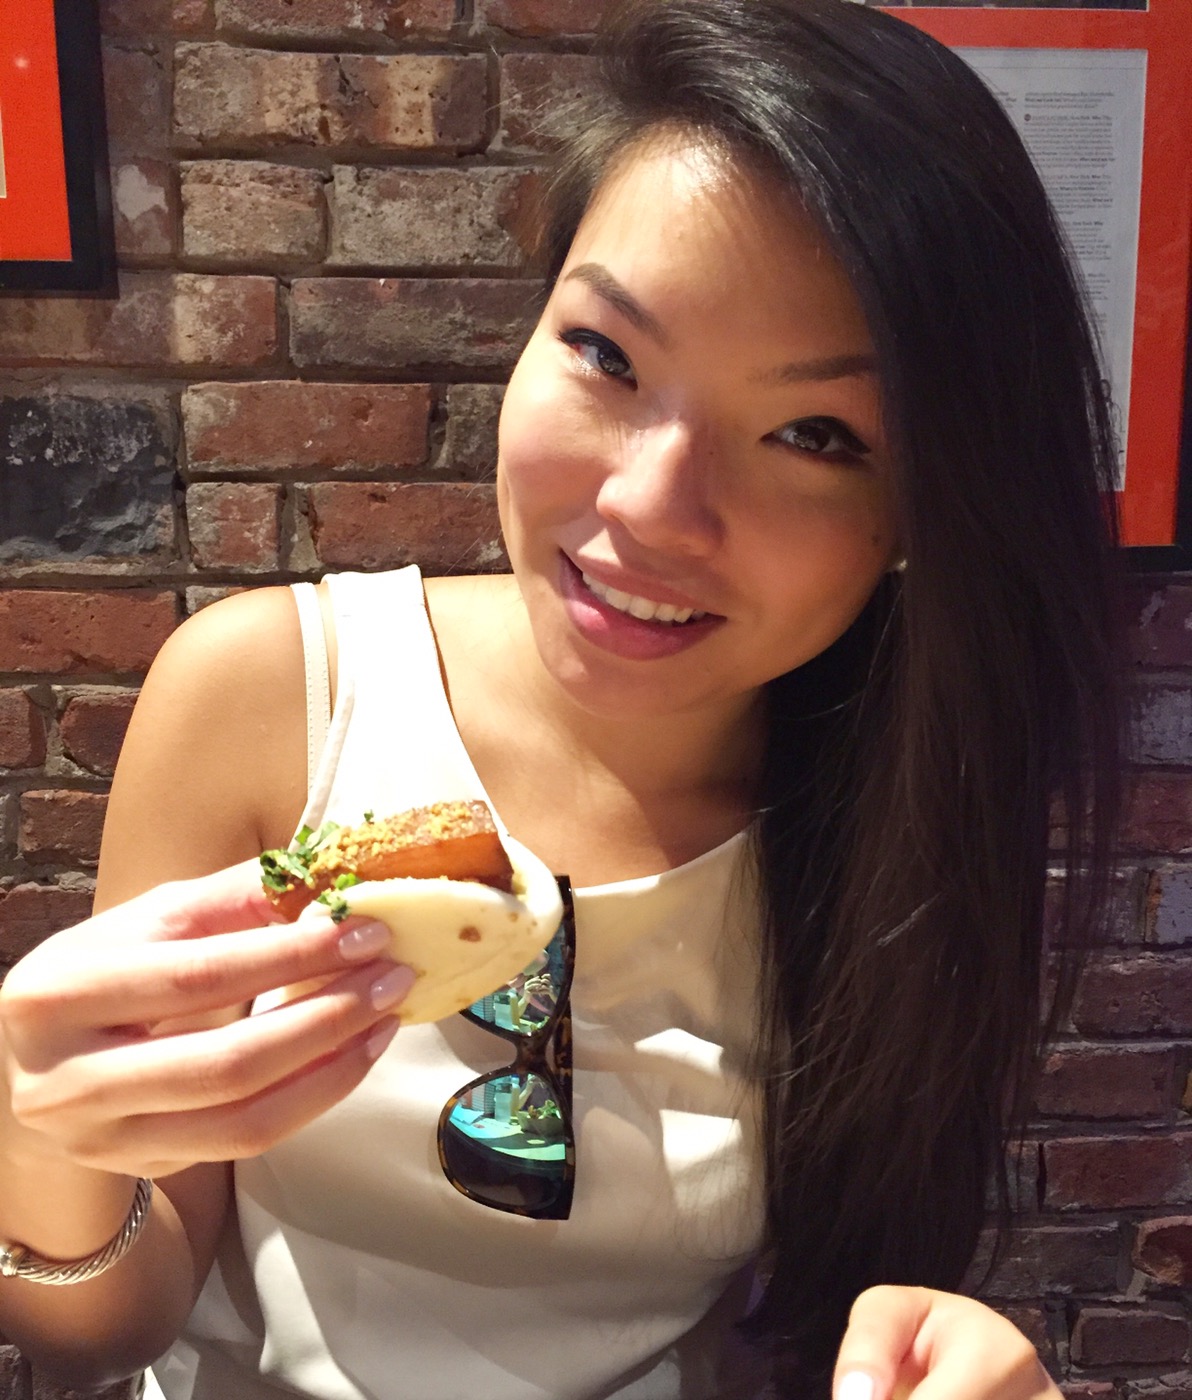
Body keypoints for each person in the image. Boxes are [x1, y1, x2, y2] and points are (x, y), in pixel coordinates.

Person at [0, 0, 1123, 1396]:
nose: (650, 505)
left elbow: (845, 1310)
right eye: (607, 354)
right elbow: (106, 1332)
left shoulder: (895, 808)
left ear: (921, 510)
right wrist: (43, 1142)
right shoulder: (269, 696)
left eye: (813, 434)